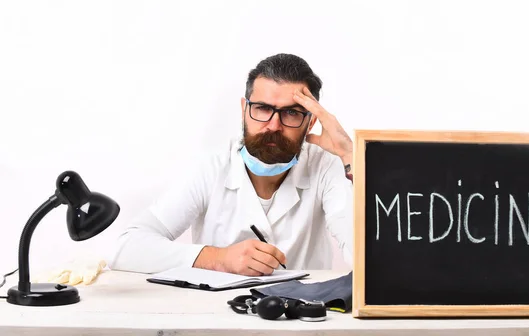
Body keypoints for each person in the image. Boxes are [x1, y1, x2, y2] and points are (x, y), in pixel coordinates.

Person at [109, 53, 354, 275]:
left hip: (304, 318)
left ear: (311, 123)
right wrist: (218, 258)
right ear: (244, 110)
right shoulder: (211, 167)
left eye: (291, 113)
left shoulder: (327, 166)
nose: (273, 125)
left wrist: (350, 156)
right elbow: (126, 248)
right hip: (219, 318)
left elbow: (366, 259)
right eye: (262, 108)